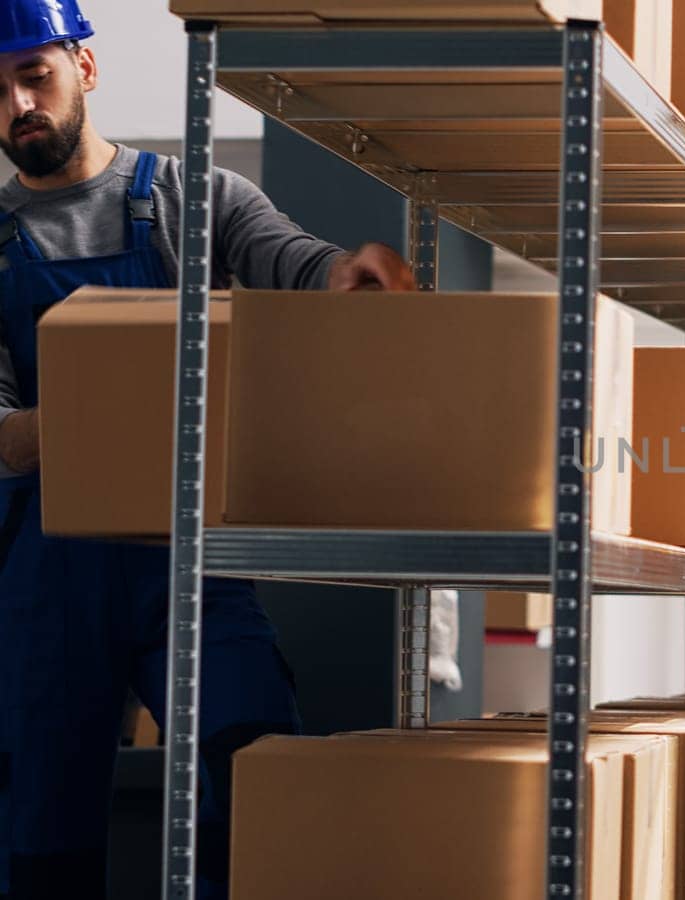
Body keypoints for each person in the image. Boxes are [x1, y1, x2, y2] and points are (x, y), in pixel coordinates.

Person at [0, 4, 415, 897]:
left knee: (257, 775)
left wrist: (347, 276)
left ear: (85, 69)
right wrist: (114, 394)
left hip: (190, 566)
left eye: (35, 73)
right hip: (45, 587)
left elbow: (293, 263)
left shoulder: (197, 197)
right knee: (37, 835)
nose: (18, 103)